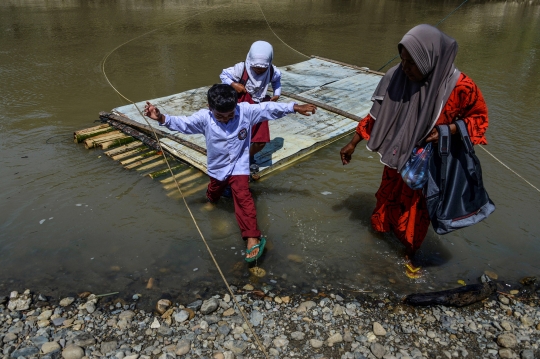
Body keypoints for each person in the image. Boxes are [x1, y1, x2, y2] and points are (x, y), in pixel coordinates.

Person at [339, 24, 489, 277]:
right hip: (396, 157)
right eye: (402, 59)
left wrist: (448, 130)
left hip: (426, 165)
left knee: (416, 211)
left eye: (412, 63)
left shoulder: (460, 88)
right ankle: (373, 243)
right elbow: (377, 116)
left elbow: (479, 121)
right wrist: (353, 142)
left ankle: (408, 253)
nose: (404, 67)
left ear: (430, 60)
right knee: (385, 198)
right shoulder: (397, 76)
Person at [144, 84, 316, 262]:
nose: (226, 119)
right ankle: (211, 200)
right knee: (215, 188)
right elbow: (184, 124)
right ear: (210, 109)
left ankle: (252, 237)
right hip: (218, 166)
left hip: (239, 164)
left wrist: (294, 107)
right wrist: (161, 117)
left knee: (243, 196)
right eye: (220, 116)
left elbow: (268, 108)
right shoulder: (204, 118)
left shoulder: (245, 112)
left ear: (236, 106)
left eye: (230, 115)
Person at [220, 41, 282, 170]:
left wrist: (277, 93)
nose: (258, 70)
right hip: (241, 103)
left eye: (262, 68)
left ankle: (246, 157)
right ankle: (233, 156)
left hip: (260, 105)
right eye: (256, 67)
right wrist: (233, 84)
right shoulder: (240, 68)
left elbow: (276, 81)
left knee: (260, 140)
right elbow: (224, 75)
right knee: (238, 134)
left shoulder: (272, 71)